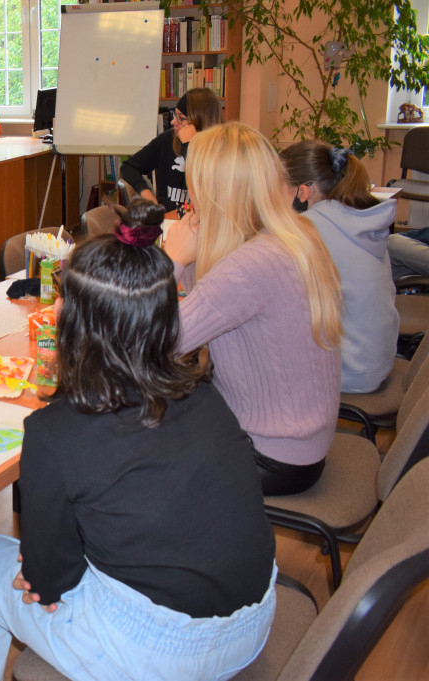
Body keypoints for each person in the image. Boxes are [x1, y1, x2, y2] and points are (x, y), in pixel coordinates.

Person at [0, 199, 277, 681]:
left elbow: (49, 581)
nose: (56, 307)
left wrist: (44, 572)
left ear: (83, 324)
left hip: (159, 650)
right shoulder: (204, 394)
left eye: (64, 298)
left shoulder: (56, 431)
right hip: (254, 620)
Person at [164, 122, 342, 495]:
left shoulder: (250, 267)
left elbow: (158, 341)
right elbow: (210, 299)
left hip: (272, 454)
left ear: (212, 193)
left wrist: (172, 261)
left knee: (135, 452)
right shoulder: (293, 234)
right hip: (301, 439)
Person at [281, 139, 399, 393]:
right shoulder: (354, 218)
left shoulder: (310, 229)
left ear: (303, 192)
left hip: (349, 369)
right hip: (376, 359)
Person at [120, 87, 222, 215]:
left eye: (181, 118)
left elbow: (205, 185)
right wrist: (148, 195)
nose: (174, 122)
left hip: (204, 223)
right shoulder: (167, 139)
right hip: (167, 221)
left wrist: (188, 145)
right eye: (175, 115)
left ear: (199, 122)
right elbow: (128, 167)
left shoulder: (222, 150)